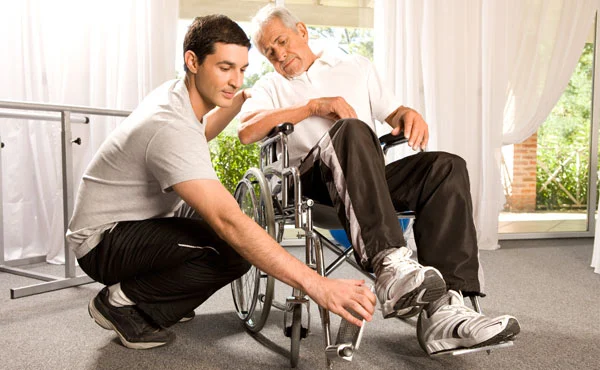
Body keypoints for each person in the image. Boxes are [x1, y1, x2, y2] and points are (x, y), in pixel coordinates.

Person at [66, 14, 376, 350]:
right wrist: (319, 285)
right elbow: (228, 220)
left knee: (230, 236)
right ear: (193, 61)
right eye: (225, 67)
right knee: (231, 251)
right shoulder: (168, 126)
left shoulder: (176, 95)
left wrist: (239, 100)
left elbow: (201, 131)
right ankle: (120, 302)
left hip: (138, 223)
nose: (235, 79)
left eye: (242, 69)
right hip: (103, 241)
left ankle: (160, 295)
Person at [239, 5, 521, 355]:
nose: (279, 54)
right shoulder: (271, 86)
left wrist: (406, 113)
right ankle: (390, 265)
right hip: (311, 185)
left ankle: (447, 310)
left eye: (281, 41)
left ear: (302, 31)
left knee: (446, 167)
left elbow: (393, 113)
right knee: (352, 129)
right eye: (270, 52)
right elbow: (247, 131)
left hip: (367, 179)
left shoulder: (356, 67)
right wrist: (312, 106)